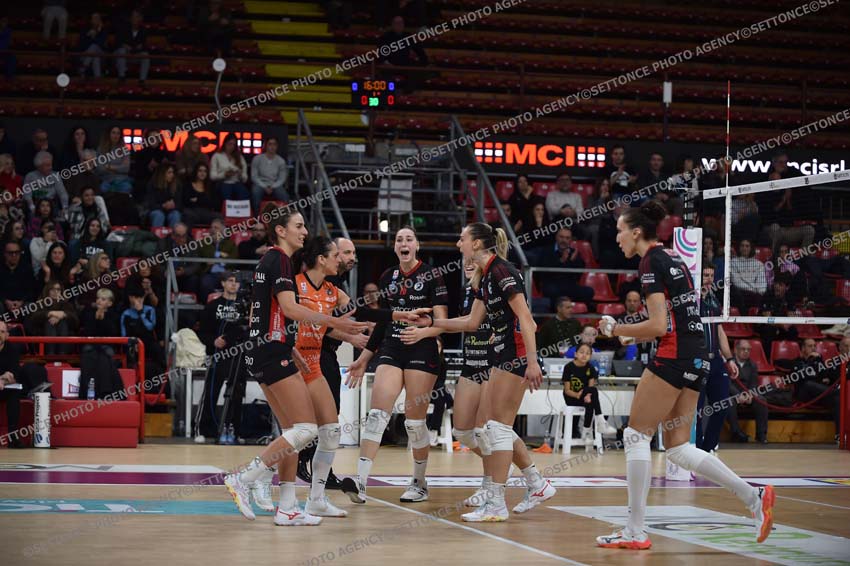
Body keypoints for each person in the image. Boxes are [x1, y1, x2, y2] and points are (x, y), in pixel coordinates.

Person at [594, 200, 774, 550]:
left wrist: (617, 329)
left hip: (674, 355)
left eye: (620, 231)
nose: (617, 238)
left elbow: (660, 325)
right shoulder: (672, 256)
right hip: (698, 355)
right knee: (678, 447)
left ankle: (635, 531)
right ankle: (754, 497)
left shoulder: (650, 262)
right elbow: (672, 320)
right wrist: (633, 334)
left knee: (635, 436)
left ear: (636, 232)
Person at [223, 206, 368, 527]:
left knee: (294, 431)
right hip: (271, 352)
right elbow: (289, 309)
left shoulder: (273, 261)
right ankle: (245, 478)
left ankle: (287, 506)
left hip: (267, 349)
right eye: (299, 226)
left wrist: (291, 345)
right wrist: (334, 323)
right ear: (281, 230)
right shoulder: (279, 260)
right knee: (306, 429)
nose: (304, 232)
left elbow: (265, 312)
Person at [405, 222, 546, 522]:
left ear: (478, 244)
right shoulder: (485, 276)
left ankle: (498, 501)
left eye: (462, 239)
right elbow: (471, 322)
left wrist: (533, 362)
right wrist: (432, 325)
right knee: (491, 429)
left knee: (497, 429)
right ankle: (532, 486)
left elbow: (527, 319)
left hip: (516, 354)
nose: (459, 244)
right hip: (502, 354)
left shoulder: (503, 271)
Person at [292, 236, 414, 517]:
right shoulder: (294, 286)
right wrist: (347, 333)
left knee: (330, 430)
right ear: (322, 258)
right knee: (300, 430)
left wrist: (402, 316)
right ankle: (254, 478)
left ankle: (317, 497)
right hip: (292, 361)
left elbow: (364, 312)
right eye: (338, 254)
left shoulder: (333, 290)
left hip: (316, 361)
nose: (343, 259)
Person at [345, 226, 449, 505]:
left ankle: (419, 482)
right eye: (399, 240)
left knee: (414, 422)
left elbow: (442, 322)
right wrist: (363, 359)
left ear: (417, 246)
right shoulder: (387, 276)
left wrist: (423, 331)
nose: (404, 243)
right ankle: (360, 482)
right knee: (377, 415)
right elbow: (384, 321)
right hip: (392, 347)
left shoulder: (432, 274)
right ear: (395, 248)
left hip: (422, 347)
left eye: (409, 239)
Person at [298, 237, 358, 488]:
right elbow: (319, 323)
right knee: (311, 420)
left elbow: (356, 313)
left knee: (330, 419)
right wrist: (352, 336)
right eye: (345, 253)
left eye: (353, 253)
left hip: (326, 353)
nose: (351, 258)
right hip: (306, 354)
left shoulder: (335, 285)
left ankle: (322, 474)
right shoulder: (304, 283)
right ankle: (300, 462)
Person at [196, 272, 247, 444]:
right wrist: (213, 341)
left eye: (236, 282)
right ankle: (204, 429)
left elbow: (246, 329)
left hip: (238, 355)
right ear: (223, 283)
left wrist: (230, 338)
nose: (234, 284)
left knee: (237, 393)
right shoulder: (212, 306)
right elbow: (202, 332)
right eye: (230, 281)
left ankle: (235, 430)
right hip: (217, 354)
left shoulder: (244, 307)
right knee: (211, 391)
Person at [695, 264, 738, 453]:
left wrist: (730, 359)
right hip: (697, 361)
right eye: (705, 275)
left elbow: (720, 331)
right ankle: (696, 448)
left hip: (716, 362)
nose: (709, 279)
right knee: (696, 410)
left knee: (722, 406)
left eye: (712, 275)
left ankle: (707, 448)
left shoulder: (714, 300)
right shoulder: (692, 300)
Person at [563, 343, 618, 444]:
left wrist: (587, 395)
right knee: (592, 394)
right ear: (575, 354)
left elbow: (591, 388)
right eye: (582, 352)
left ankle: (586, 431)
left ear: (591, 356)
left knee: (591, 398)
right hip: (572, 398)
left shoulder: (590, 368)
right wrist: (577, 395)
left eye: (588, 353)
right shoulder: (568, 367)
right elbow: (567, 391)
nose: (584, 355)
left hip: (585, 396)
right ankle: (598, 423)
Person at [792, 338, 842, 438]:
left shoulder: (818, 362)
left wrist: (819, 361)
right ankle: (836, 392)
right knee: (809, 384)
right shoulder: (798, 362)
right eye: (810, 346)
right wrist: (810, 361)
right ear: (803, 348)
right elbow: (802, 378)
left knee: (837, 399)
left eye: (815, 346)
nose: (813, 348)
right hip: (804, 395)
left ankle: (839, 434)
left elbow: (826, 376)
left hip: (820, 395)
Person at [726, 340, 768, 443]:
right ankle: (736, 433)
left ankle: (761, 435)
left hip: (747, 394)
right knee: (728, 402)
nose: (746, 351)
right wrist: (738, 395)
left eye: (748, 350)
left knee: (761, 400)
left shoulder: (753, 365)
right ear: (736, 350)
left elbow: (754, 383)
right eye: (743, 349)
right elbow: (727, 383)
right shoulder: (728, 364)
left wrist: (750, 395)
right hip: (732, 394)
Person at [540, 227, 594, 306]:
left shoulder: (574, 253)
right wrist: (561, 261)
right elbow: (543, 273)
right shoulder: (547, 251)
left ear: (570, 240)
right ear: (556, 237)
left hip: (569, 285)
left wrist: (573, 261)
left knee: (589, 291)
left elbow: (579, 274)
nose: (564, 240)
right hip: (553, 284)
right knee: (552, 291)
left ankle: (576, 310)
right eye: (561, 237)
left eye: (567, 238)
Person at [26, 281, 79, 354]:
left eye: (58, 289)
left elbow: (76, 322)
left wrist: (64, 314)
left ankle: (62, 353)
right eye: (52, 289)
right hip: (43, 341)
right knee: (49, 323)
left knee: (62, 322)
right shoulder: (40, 304)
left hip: (66, 341)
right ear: (47, 291)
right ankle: (50, 353)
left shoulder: (67, 304)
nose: (55, 292)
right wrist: (49, 313)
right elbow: (32, 319)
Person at [198, 218, 238, 301]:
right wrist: (221, 254)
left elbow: (234, 259)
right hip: (210, 273)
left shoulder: (230, 243)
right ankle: (206, 306)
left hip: (226, 273)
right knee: (205, 283)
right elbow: (206, 255)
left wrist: (216, 259)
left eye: (216, 228)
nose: (212, 230)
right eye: (211, 227)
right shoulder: (204, 243)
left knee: (235, 283)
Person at [0, 321, 25, 447]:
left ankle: (13, 437)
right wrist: (2, 377)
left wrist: (3, 380)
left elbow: (14, 375)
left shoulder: (12, 349)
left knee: (15, 393)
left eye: (2, 332)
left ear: (7, 335)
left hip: (5, 387)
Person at [0, 240, 37, 318]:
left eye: (17, 252)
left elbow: (32, 290)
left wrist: (21, 302)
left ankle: (27, 327)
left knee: (31, 306)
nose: (14, 255)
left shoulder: (27, 268)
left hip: (22, 304)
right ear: (5, 254)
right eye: (10, 253)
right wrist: (5, 301)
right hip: (3, 303)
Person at [250, 137, 288, 210]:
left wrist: (272, 186)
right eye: (270, 144)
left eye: (274, 144)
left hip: (275, 184)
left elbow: (282, 178)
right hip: (260, 184)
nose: (272, 147)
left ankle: (284, 216)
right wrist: (264, 186)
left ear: (277, 146)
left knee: (284, 196)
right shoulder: (257, 159)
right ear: (265, 146)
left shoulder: (281, 161)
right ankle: (256, 215)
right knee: (255, 193)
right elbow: (254, 176)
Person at [114, 9, 150, 85]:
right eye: (134, 16)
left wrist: (137, 47)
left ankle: (142, 80)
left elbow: (144, 46)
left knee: (145, 55)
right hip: (124, 55)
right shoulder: (123, 28)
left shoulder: (144, 30)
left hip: (135, 54)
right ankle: (122, 77)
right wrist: (124, 45)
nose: (135, 19)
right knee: (121, 50)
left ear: (140, 19)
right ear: (130, 18)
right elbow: (117, 42)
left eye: (137, 17)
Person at [730, 239, 766, 314]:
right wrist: (753, 289)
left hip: (756, 294)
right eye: (742, 246)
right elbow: (736, 282)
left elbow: (762, 285)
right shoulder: (733, 262)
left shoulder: (759, 264)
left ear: (751, 248)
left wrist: (757, 292)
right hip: (741, 293)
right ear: (739, 248)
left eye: (747, 246)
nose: (744, 248)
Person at [210, 134, 249, 201]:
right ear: (225, 144)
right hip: (223, 182)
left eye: (234, 145)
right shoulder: (217, 156)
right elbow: (212, 176)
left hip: (236, 182)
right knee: (226, 190)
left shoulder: (239, 157)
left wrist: (240, 174)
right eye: (229, 144)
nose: (232, 147)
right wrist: (224, 175)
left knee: (244, 194)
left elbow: (245, 179)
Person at [96, 126, 133, 194]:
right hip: (106, 180)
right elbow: (100, 169)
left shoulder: (124, 150)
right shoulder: (101, 149)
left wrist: (109, 167)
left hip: (122, 180)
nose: (116, 135)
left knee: (127, 187)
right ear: (109, 134)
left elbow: (126, 168)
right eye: (113, 133)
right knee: (102, 188)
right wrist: (118, 168)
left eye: (118, 133)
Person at [147, 163, 183, 228]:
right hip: (157, 210)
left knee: (175, 215)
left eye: (172, 172)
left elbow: (180, 204)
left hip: (172, 210)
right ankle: (156, 234)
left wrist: (173, 206)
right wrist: (163, 206)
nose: (172, 175)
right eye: (169, 172)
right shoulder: (153, 184)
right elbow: (151, 205)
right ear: (162, 174)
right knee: (159, 215)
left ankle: (174, 234)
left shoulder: (177, 185)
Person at [77, 13, 107, 78]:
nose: (96, 20)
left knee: (94, 47)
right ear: (91, 20)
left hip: (101, 54)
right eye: (94, 18)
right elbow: (81, 45)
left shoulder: (103, 31)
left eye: (98, 18)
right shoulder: (85, 30)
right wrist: (88, 36)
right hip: (85, 54)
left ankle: (83, 68)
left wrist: (96, 34)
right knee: (95, 56)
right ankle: (97, 77)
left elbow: (101, 44)